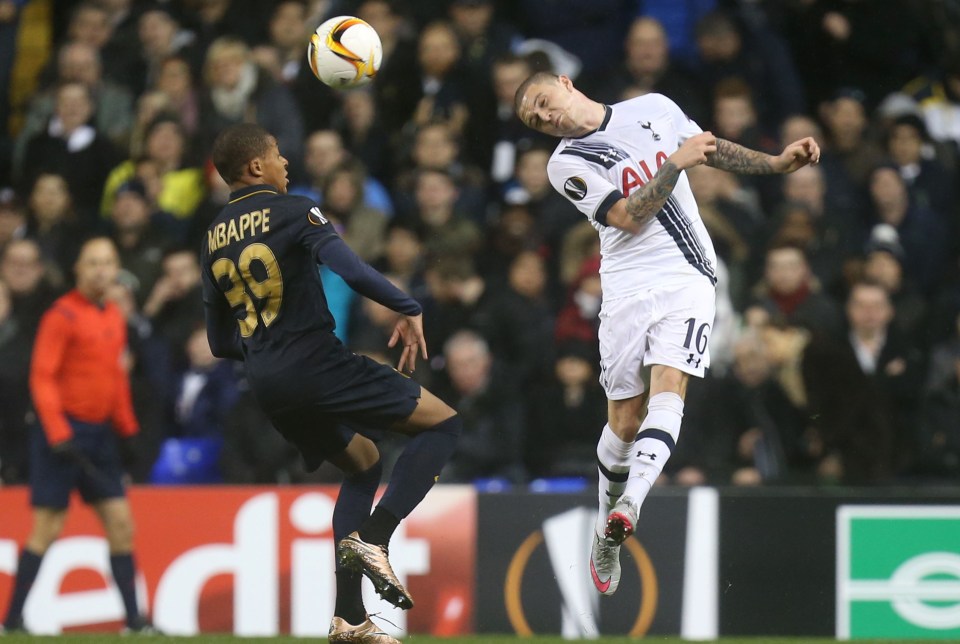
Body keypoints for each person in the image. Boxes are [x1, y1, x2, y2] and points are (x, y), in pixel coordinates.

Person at [514, 71, 819, 596]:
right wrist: (675, 163)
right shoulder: (566, 163)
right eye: (534, 119)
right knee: (624, 421)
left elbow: (710, 148)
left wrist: (773, 163)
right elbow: (628, 218)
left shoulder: (653, 107)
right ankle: (606, 525)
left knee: (670, 383)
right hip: (628, 286)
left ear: (565, 83)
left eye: (543, 102)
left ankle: (632, 501)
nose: (546, 117)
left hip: (688, 275)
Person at [202, 124, 460, 641]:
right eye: (277, 155)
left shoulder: (213, 234)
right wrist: (405, 305)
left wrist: (266, 349)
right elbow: (348, 266)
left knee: (364, 465)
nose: (285, 164)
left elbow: (218, 341)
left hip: (269, 386)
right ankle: (376, 537)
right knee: (443, 426)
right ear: (256, 167)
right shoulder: (294, 209)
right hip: (318, 364)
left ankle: (349, 619)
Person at [1, 237, 154, 634]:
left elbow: (115, 380)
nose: (101, 270)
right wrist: (56, 431)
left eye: (107, 262)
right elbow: (42, 377)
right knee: (46, 528)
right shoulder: (62, 316)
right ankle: (12, 621)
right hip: (63, 434)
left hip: (99, 437)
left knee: (121, 524)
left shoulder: (114, 317)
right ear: (79, 270)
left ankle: (134, 622)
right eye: (93, 263)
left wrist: (128, 431)